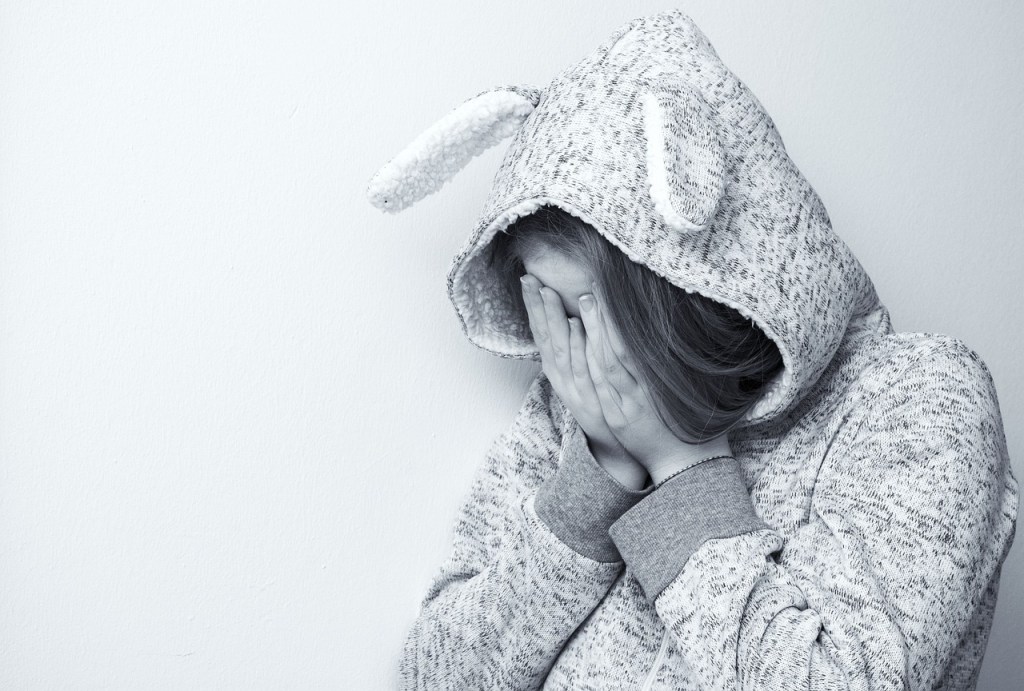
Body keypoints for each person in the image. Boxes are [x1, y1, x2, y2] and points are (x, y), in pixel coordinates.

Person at [367, 10, 1019, 690]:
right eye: (549, 311)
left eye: (585, 308)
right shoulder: (576, 410)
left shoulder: (921, 399)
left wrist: (679, 466)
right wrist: (597, 482)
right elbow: (436, 676)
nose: (571, 354)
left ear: (684, 283)